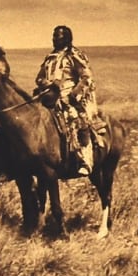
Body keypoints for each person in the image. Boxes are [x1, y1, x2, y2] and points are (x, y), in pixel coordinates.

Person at [34, 24, 105, 172]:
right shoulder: (50, 57)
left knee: (76, 119)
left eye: (57, 37)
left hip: (68, 97)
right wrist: (44, 82)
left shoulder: (74, 55)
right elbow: (39, 77)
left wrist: (73, 94)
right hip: (48, 96)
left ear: (66, 39)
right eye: (53, 36)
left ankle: (85, 159)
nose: (54, 40)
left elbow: (86, 76)